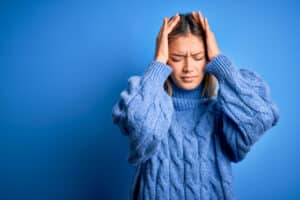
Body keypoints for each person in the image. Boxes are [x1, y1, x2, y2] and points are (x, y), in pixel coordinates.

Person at [111, 11, 280, 200]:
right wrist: (157, 63)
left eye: (198, 57)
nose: (188, 68)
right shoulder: (150, 106)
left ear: (208, 58)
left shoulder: (221, 113)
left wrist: (221, 64)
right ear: (166, 58)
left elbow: (261, 117)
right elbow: (143, 129)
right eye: (176, 58)